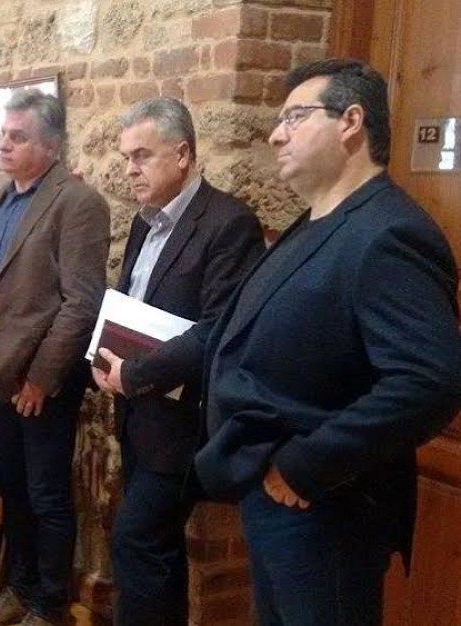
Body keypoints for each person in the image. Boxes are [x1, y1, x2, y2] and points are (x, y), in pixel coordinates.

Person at [192, 58, 461, 625]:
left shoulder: (389, 232)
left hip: (324, 505)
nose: (276, 134)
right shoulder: (318, 220)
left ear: (351, 122)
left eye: (295, 117)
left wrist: (306, 465)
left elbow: (429, 381)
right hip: (276, 496)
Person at [91, 98, 264, 626]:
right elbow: (131, 306)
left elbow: (219, 330)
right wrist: (100, 355)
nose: (130, 169)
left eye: (142, 155)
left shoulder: (229, 223)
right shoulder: (144, 224)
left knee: (137, 541)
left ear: (183, 153)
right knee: (155, 549)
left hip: (185, 422)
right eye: (127, 157)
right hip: (140, 414)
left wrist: (135, 373)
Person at [0, 91, 110, 626]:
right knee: (15, 491)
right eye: (2, 134)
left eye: (17, 136)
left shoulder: (78, 202)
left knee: (46, 496)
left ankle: (50, 605)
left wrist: (43, 378)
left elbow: (81, 302)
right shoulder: (8, 195)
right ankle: (21, 590)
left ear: (51, 145)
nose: (2, 144)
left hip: (40, 384)